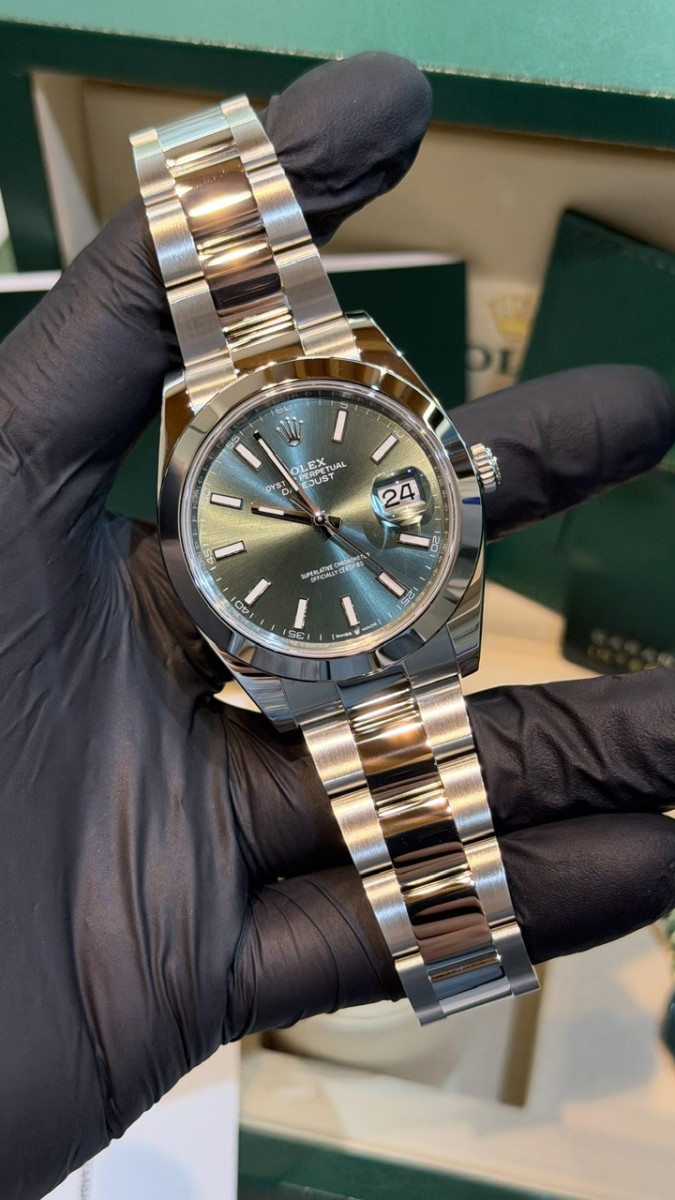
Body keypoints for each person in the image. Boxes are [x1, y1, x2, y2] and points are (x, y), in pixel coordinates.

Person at [1, 51, 674, 1200]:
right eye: (291, 513)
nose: (313, 518)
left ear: (446, 465)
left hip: (379, 599)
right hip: (285, 629)